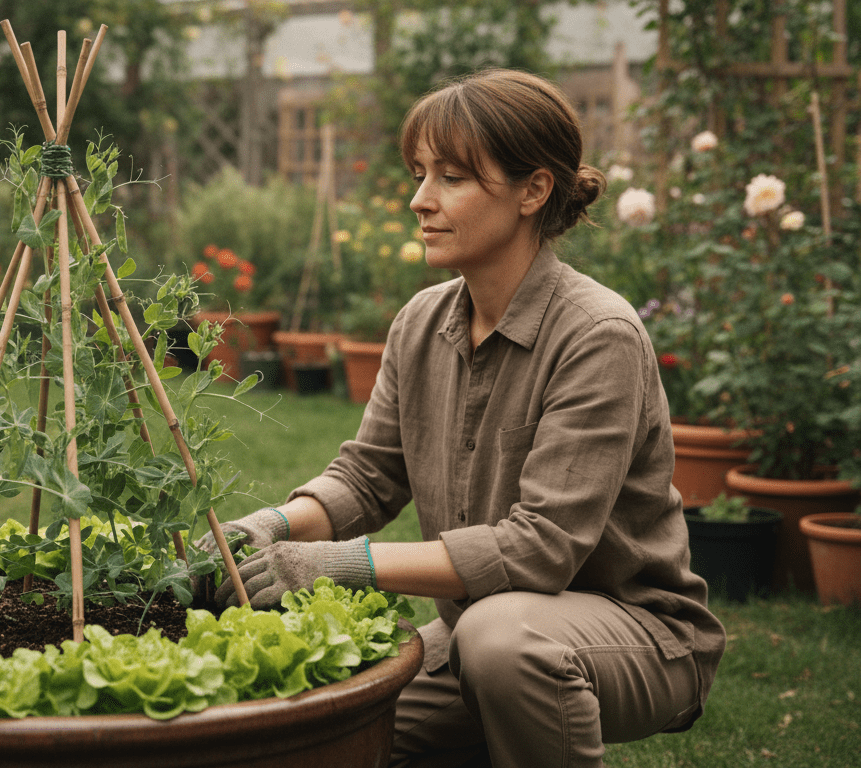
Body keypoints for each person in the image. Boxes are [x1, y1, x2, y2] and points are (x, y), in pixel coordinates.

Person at [204, 69, 725, 767]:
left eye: (452, 177)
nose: (420, 200)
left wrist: (331, 565)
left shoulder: (598, 335)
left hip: (637, 632)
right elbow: (368, 478)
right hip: (481, 623)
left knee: (501, 643)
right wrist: (265, 527)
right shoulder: (422, 322)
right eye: (419, 174)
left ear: (533, 191)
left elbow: (541, 548)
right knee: (326, 727)